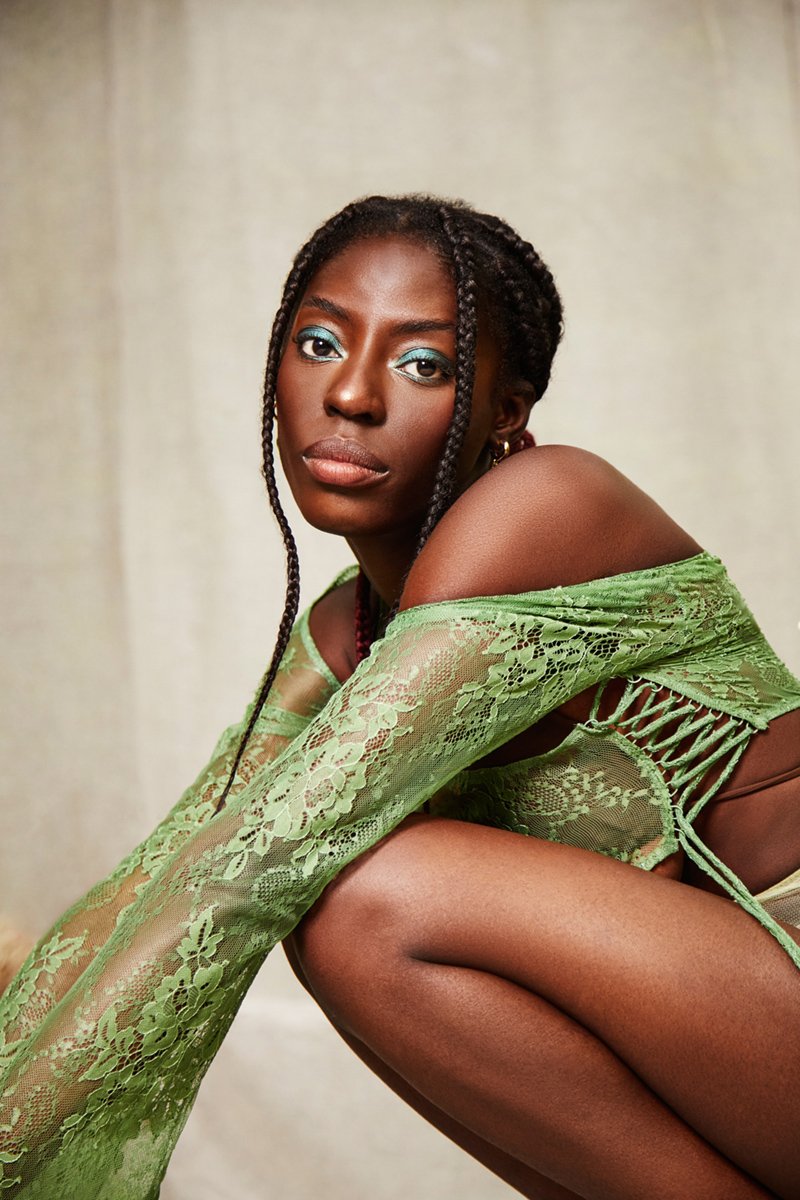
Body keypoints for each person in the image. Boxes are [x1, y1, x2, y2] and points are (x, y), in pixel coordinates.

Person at [1, 195, 798, 1200]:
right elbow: (169, 870)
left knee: (359, 899)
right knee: (328, 909)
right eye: (319, 342)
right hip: (736, 1050)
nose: (352, 395)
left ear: (506, 409)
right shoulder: (352, 626)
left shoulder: (545, 509)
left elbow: (246, 877)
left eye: (422, 363)